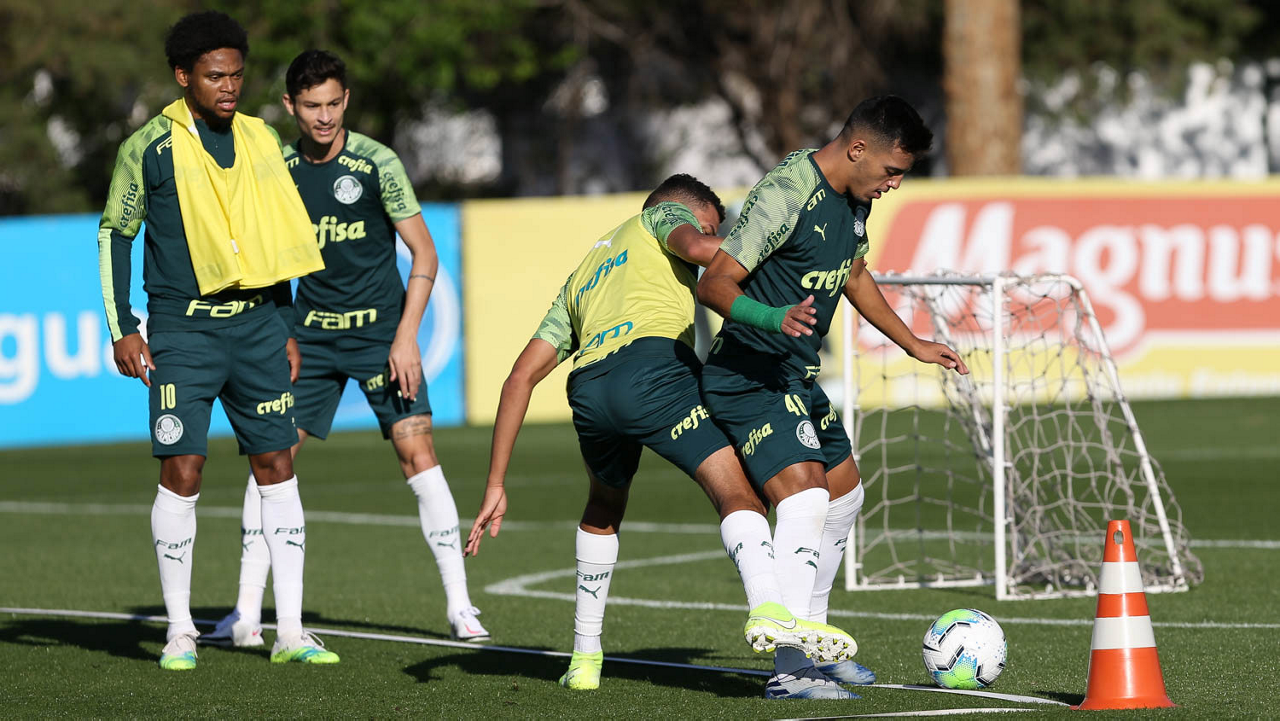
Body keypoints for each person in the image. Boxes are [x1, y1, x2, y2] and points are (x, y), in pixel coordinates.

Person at [465, 175, 860, 699]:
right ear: (687, 211)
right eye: (714, 227)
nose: (714, 240)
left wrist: (496, 483)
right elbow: (697, 247)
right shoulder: (661, 216)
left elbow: (520, 377)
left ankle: (584, 658)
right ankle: (770, 606)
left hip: (590, 390)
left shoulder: (582, 277)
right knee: (740, 492)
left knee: (604, 505)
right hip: (655, 372)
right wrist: (774, 249)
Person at [202, 49, 488, 647]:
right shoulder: (276, 168)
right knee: (270, 462)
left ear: (346, 100)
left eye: (334, 103)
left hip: (381, 336)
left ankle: (461, 606)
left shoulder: (378, 163)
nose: (325, 116)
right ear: (290, 106)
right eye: (312, 106)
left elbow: (425, 253)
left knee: (418, 454)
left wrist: (407, 337)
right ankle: (246, 614)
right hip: (308, 338)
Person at [696, 95, 969, 690]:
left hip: (795, 374)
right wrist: (772, 319)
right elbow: (714, 283)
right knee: (806, 498)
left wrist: (912, 343)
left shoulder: (854, 201)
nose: (894, 183)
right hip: (748, 372)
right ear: (858, 149)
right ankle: (790, 667)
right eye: (891, 170)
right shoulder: (786, 192)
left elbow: (853, 273)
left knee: (844, 496)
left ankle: (814, 641)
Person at [96, 11, 337, 670]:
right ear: (184, 77)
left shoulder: (263, 138)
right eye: (214, 76)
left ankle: (290, 632)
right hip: (184, 329)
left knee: (277, 465)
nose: (229, 86)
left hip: (259, 326)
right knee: (183, 468)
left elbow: (273, 238)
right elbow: (115, 232)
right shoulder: (149, 146)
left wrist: (286, 324)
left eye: (236, 74)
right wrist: (123, 327)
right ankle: (180, 630)